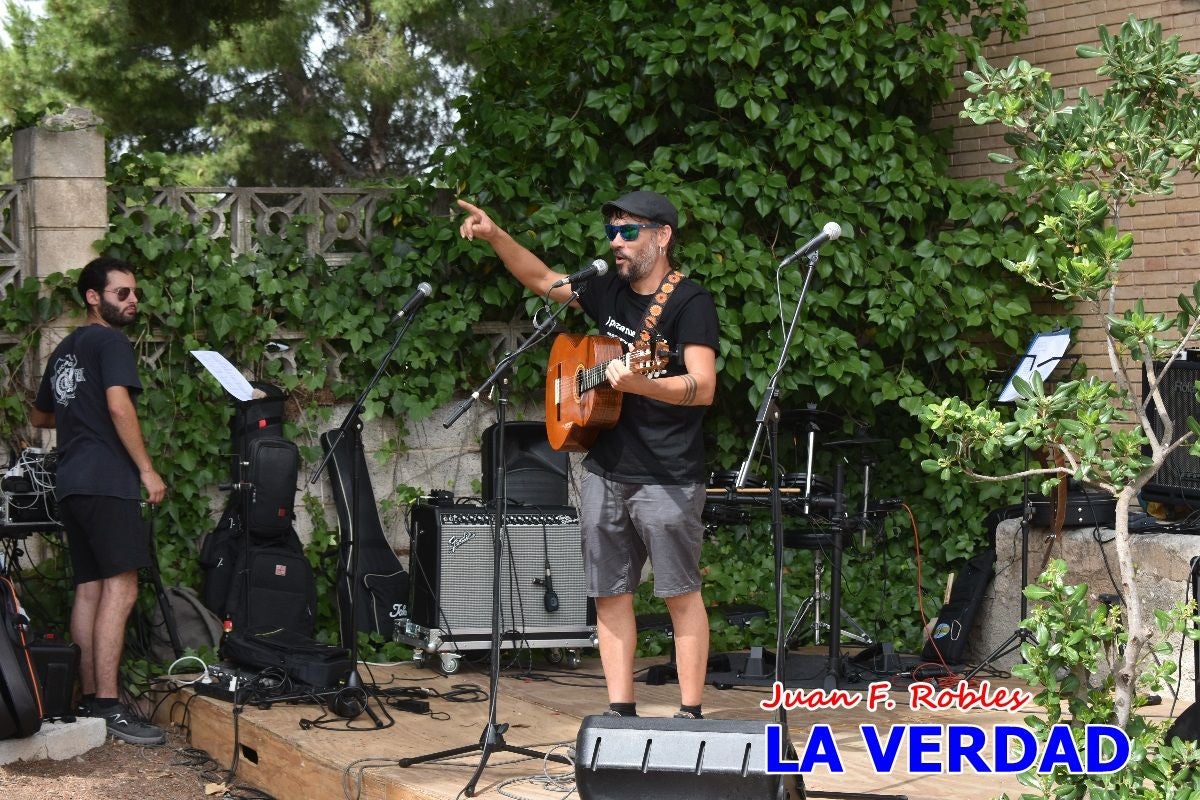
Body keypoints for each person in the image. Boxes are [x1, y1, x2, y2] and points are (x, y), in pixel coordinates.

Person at [457, 190, 719, 719]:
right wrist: (495, 234)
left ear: (662, 236)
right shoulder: (605, 287)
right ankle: (620, 712)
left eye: (629, 233)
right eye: (612, 233)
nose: (616, 244)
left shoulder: (691, 303)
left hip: (668, 474)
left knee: (679, 593)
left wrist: (643, 384)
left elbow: (703, 385)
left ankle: (690, 713)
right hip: (605, 467)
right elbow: (543, 281)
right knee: (608, 593)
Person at [31, 257, 168, 746]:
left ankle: (90, 701)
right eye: (122, 294)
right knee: (122, 587)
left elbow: (42, 415)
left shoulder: (65, 349)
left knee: (89, 589)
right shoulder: (110, 341)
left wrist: (78, 416)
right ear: (94, 297)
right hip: (108, 478)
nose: (133, 302)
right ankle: (109, 706)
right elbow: (117, 404)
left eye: (134, 294)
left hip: (71, 480)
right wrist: (147, 469)